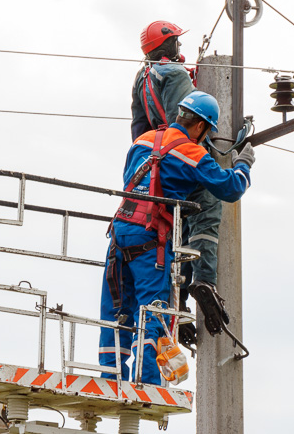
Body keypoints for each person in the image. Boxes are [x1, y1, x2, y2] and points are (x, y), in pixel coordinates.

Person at [99, 91, 256, 385]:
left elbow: (130, 180)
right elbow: (230, 188)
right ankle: (146, 383)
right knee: (153, 313)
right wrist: (244, 164)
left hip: (119, 232)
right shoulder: (192, 152)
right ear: (201, 127)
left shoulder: (142, 141)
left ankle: (108, 377)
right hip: (150, 239)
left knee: (117, 311)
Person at [130, 20, 229, 343]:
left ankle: (180, 303)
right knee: (207, 212)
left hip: (154, 166)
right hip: (180, 157)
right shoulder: (171, 73)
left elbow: (139, 129)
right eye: (176, 42)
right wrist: (211, 156)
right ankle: (204, 280)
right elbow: (187, 119)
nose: (180, 48)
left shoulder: (142, 79)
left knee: (175, 230)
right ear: (165, 44)